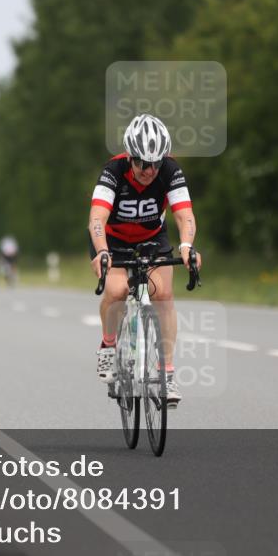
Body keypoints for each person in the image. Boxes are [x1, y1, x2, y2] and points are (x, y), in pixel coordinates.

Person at [87, 113, 202, 408]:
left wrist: (187, 246)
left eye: (155, 163)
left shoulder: (170, 170)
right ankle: (109, 345)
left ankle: (167, 374)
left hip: (152, 237)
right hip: (112, 240)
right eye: (141, 163)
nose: (149, 170)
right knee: (116, 291)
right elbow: (97, 219)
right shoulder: (112, 171)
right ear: (130, 157)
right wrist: (101, 251)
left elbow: (184, 214)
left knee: (163, 295)